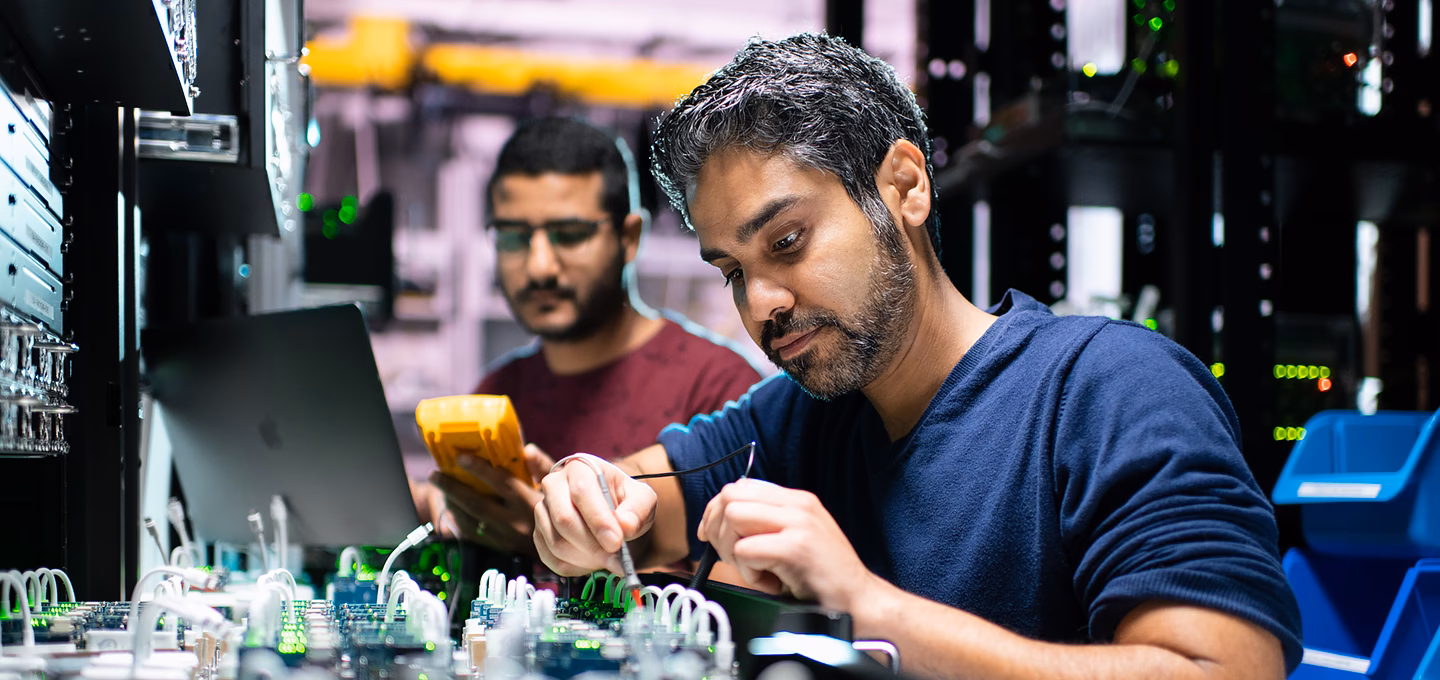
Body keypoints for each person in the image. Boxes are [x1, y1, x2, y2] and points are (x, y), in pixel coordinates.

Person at [528, 34, 1304, 679]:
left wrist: (866, 610)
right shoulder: (806, 416)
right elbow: (632, 501)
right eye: (733, 271)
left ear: (904, 186)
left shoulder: (1110, 390)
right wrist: (581, 501)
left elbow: (1227, 669)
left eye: (788, 242)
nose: (760, 302)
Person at [423, 117, 763, 554]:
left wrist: (563, 539)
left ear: (628, 237)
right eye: (514, 237)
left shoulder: (720, 392)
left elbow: (744, 589)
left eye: (570, 235)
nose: (540, 266)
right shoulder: (499, 393)